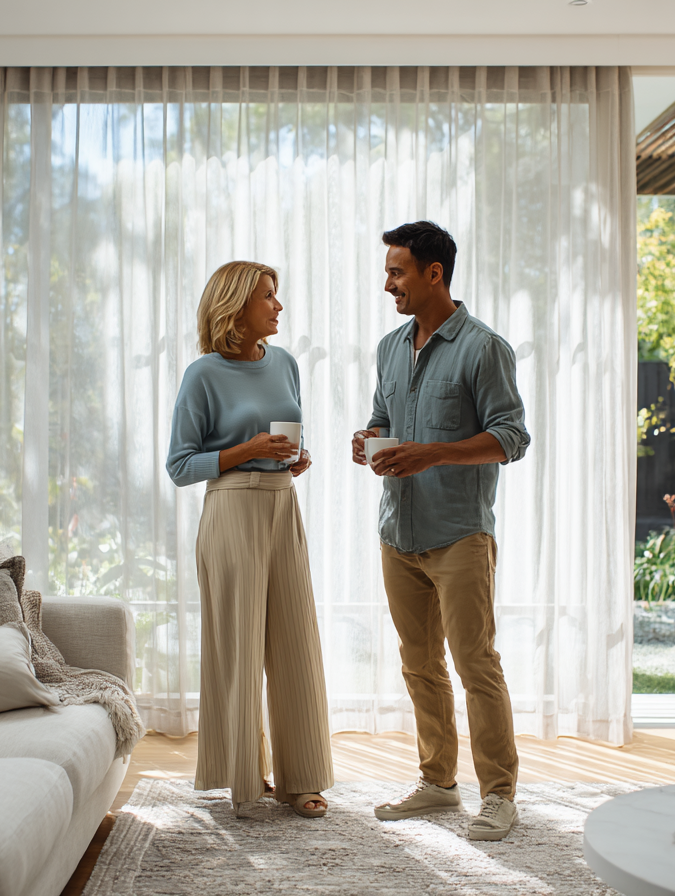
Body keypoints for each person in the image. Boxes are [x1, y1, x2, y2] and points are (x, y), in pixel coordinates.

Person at [352, 221, 530, 841]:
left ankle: (500, 795)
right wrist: (366, 440)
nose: (388, 283)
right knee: (419, 665)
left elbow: (511, 438)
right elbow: (383, 417)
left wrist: (434, 454)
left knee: (476, 664)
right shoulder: (389, 347)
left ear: (434, 273)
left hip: (459, 533)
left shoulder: (484, 348)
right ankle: (437, 782)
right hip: (397, 531)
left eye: (397, 271)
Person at [167, 260, 335, 818]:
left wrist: (296, 457)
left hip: (283, 504)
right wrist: (247, 449)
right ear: (235, 306)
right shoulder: (203, 374)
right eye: (268, 296)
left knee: (296, 644)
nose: (278, 306)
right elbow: (180, 465)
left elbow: (291, 433)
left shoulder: (285, 363)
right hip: (232, 507)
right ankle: (245, 778)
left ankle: (302, 779)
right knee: (237, 646)